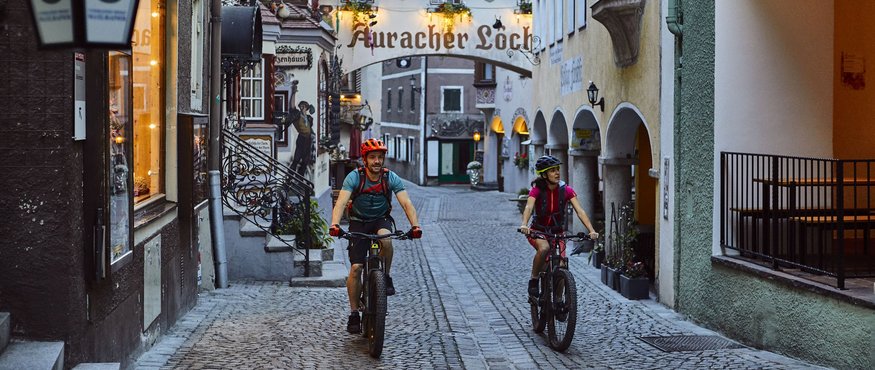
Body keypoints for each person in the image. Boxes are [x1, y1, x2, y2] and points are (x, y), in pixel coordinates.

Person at [329, 138, 422, 334]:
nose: (377, 161)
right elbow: (340, 202)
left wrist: (415, 226)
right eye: (372, 158)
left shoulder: (390, 178)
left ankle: (386, 277)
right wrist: (335, 224)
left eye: (380, 157)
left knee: (386, 240)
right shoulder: (354, 177)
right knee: (355, 268)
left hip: (381, 219)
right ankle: (354, 313)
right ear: (365, 160)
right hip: (358, 221)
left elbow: (406, 203)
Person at [519, 155, 599, 297]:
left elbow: (580, 211)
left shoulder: (566, 190)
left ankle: (558, 300)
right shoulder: (536, 190)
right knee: (544, 248)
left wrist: (591, 230)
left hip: (558, 232)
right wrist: (524, 224)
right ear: (544, 174)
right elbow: (528, 208)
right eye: (552, 170)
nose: (557, 173)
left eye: (557, 169)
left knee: (562, 265)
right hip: (539, 231)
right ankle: (534, 279)